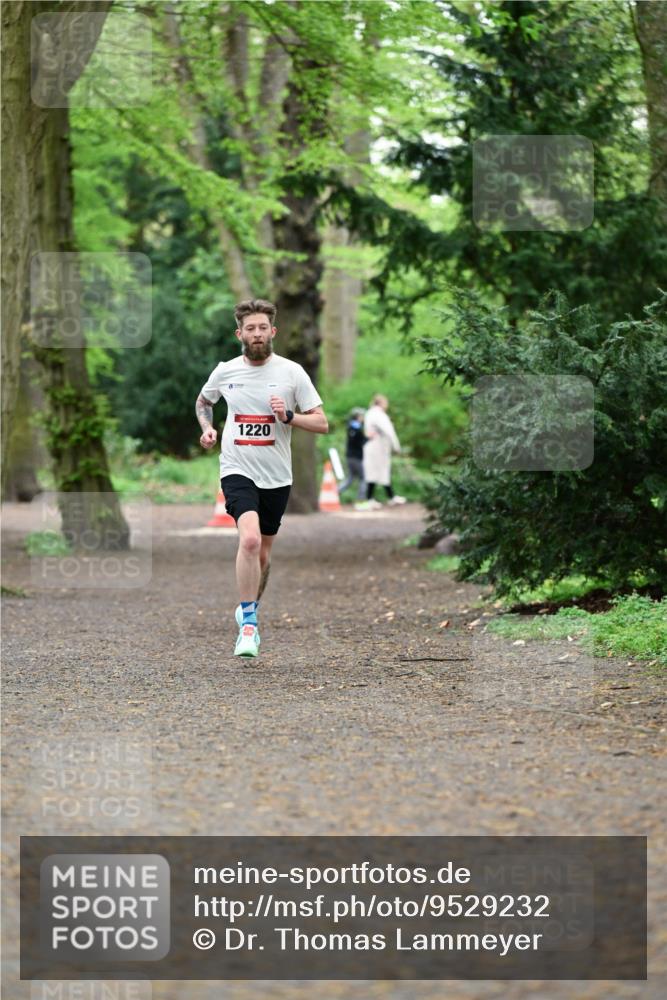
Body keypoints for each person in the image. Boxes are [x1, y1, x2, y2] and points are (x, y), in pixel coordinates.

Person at [195, 298, 328, 657]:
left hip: (277, 476)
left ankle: (248, 605)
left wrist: (288, 418)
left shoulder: (292, 373)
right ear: (240, 334)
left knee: (263, 556)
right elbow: (203, 402)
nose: (256, 334)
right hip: (237, 468)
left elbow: (322, 422)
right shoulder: (225, 371)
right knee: (249, 541)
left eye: (262, 328)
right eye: (249, 328)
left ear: (273, 331)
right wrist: (208, 429)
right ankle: (249, 626)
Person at [360, 394, 406, 509]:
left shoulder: (370, 413)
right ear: (382, 403)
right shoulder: (378, 414)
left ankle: (385, 497)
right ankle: (383, 498)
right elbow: (389, 431)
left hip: (374, 447)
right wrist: (397, 446)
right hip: (377, 448)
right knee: (378, 471)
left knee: (377, 472)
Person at [339, 407, 367, 501]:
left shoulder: (351, 426)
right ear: (358, 416)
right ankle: (361, 500)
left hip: (350, 456)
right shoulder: (356, 428)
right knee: (363, 478)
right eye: (362, 416)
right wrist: (368, 438)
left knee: (350, 479)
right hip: (355, 457)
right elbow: (359, 442)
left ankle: (334, 492)